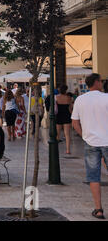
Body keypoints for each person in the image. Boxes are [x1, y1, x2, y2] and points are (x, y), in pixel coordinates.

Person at [72, 73, 108, 220]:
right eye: (101, 81)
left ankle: (98, 209)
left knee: (94, 177)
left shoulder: (80, 100)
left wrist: (84, 136)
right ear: (97, 82)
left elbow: (75, 122)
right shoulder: (106, 98)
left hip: (91, 142)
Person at [56, 85, 73, 155]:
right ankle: (68, 150)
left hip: (59, 116)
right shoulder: (69, 98)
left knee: (57, 134)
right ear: (66, 90)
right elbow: (70, 109)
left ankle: (56, 149)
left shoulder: (56, 97)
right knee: (67, 134)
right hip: (67, 116)